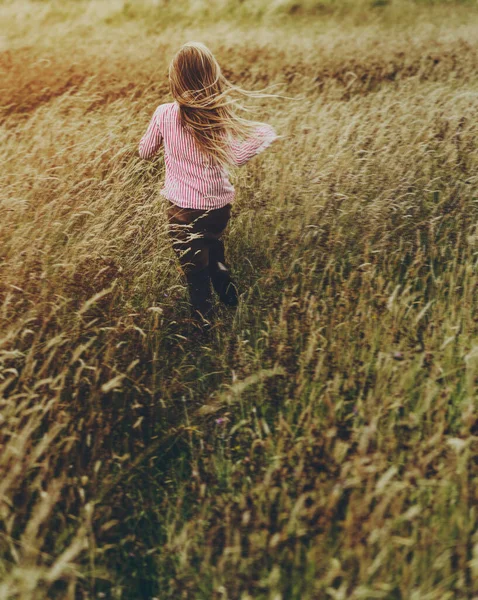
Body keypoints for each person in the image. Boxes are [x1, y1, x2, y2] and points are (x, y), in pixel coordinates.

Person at [138, 41, 278, 330]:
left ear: (176, 78)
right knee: (213, 247)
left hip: (182, 210)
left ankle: (204, 323)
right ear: (210, 75)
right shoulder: (218, 113)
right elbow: (238, 156)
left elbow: (145, 150)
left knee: (194, 270)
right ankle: (228, 294)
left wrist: (161, 141)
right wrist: (265, 131)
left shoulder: (164, 114)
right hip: (218, 207)